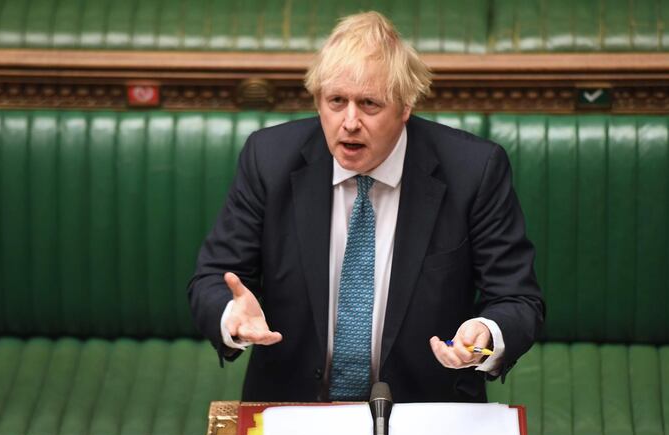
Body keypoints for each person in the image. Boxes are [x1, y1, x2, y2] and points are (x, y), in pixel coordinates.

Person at [188, 11, 544, 403]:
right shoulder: (268, 159)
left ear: (405, 106)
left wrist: (486, 334)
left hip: (425, 410)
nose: (350, 122)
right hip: (294, 407)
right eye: (336, 101)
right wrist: (231, 318)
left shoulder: (473, 170)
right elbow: (211, 281)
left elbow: (517, 299)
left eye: (369, 104)